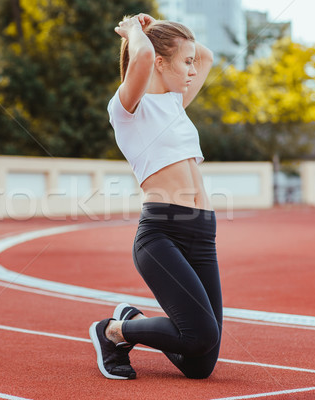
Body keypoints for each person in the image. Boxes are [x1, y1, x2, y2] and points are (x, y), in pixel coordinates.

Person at [88, 13, 221, 380]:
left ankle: (131, 319)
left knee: (200, 363)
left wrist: (158, 26)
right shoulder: (127, 110)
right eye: (186, 62)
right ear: (160, 63)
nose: (194, 69)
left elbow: (207, 55)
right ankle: (113, 331)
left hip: (203, 234)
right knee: (201, 335)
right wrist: (133, 28)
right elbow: (143, 59)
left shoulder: (175, 104)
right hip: (162, 235)